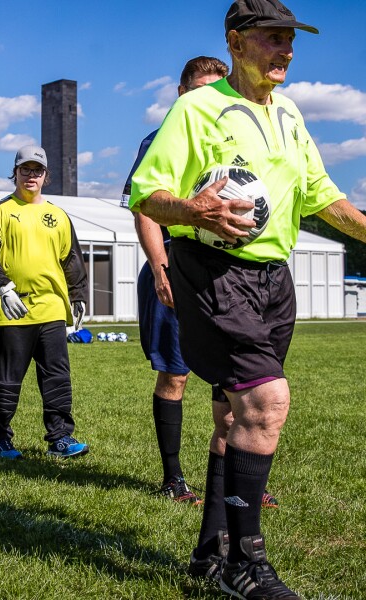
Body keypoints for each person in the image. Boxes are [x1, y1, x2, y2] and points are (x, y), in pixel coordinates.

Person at [129, 1, 366, 597]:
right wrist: (194, 210)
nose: (286, 50)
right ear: (235, 42)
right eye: (272, 38)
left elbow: (322, 195)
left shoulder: (289, 112)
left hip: (273, 279)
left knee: (235, 416)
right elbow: (146, 194)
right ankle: (246, 563)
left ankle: (210, 551)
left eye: (290, 39)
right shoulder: (195, 109)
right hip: (214, 273)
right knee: (266, 402)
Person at [122, 56, 229, 505]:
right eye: (201, 90)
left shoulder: (234, 138)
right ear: (182, 93)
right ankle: (174, 479)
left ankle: (237, 479)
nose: (210, 99)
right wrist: (161, 268)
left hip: (225, 271)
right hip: (175, 266)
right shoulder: (159, 138)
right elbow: (144, 209)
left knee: (235, 379)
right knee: (175, 374)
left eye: (217, 90)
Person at [0, 145, 89, 460]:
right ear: (15, 173)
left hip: (50, 308)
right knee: (6, 380)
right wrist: (3, 288)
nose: (31, 175)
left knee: (57, 376)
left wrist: (78, 295)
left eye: (37, 170)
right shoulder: (0, 211)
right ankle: (0, 440)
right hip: (11, 308)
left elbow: (71, 258)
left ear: (46, 176)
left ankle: (60, 438)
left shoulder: (58, 215)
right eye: (25, 169)